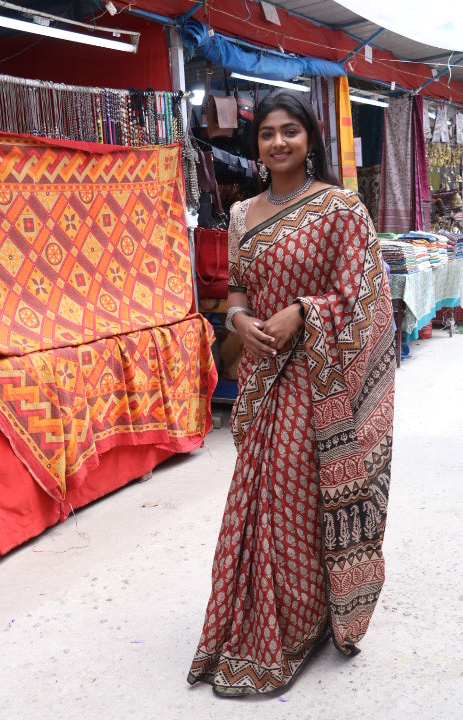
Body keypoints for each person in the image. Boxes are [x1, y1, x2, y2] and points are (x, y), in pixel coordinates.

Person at [188, 89, 395, 696]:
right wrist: (239, 321)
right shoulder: (243, 213)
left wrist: (304, 312)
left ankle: (305, 622)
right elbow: (238, 290)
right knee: (261, 506)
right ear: (256, 148)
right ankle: (255, 623)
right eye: (267, 135)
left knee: (303, 500)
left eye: (290, 132)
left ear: (311, 140)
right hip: (263, 382)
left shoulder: (340, 209)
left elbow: (365, 296)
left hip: (320, 381)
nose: (278, 143)